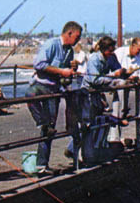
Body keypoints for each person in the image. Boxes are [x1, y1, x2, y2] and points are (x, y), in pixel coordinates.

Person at [26, 21, 82, 175]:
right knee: (29, 94)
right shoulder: (51, 44)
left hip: (54, 89)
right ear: (69, 33)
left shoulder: (69, 51)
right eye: (77, 37)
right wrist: (60, 71)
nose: (78, 41)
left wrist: (71, 71)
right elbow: (39, 64)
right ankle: (41, 122)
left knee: (49, 128)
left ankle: (42, 165)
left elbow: (66, 78)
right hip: (41, 84)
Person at [72, 35, 126, 165]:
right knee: (87, 124)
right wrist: (113, 76)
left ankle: (85, 152)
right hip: (87, 95)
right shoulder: (94, 59)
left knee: (95, 122)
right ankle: (77, 154)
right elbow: (94, 79)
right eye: (110, 50)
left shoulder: (106, 58)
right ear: (104, 49)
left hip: (96, 95)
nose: (112, 53)